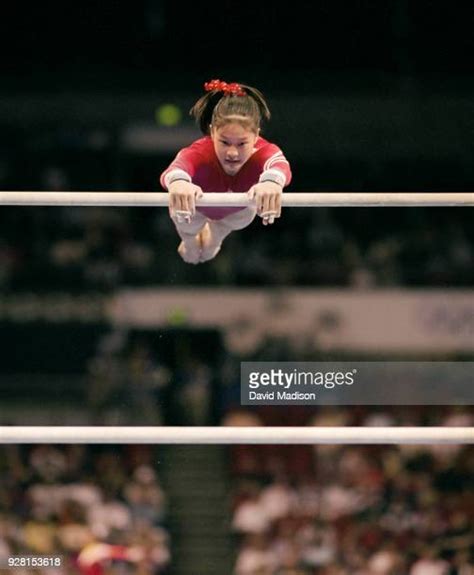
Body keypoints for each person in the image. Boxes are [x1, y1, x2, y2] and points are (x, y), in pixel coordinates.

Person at [160, 79, 292, 264]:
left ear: (256, 136)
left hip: (233, 214)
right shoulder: (200, 151)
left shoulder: (265, 151)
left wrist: (271, 182)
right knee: (184, 214)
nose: (232, 152)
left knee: (243, 215)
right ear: (212, 132)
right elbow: (175, 169)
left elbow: (280, 166)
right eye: (224, 142)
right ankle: (190, 241)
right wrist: (179, 183)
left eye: (241, 144)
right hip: (197, 209)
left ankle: (216, 236)